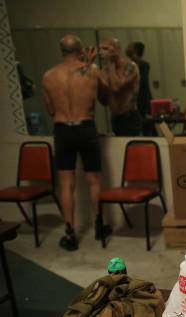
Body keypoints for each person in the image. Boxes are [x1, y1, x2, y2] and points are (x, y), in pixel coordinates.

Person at [42, 34, 111, 251]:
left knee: (66, 184)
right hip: (85, 127)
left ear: (61, 51)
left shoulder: (49, 76)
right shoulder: (91, 71)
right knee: (93, 181)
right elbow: (106, 98)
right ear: (81, 50)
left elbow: (51, 110)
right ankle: (99, 226)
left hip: (62, 129)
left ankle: (70, 233)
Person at [99, 37, 142, 136]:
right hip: (115, 119)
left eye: (105, 49)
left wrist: (110, 63)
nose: (101, 52)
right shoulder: (105, 71)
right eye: (100, 49)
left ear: (117, 50)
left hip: (129, 119)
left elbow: (116, 86)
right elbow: (104, 101)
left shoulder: (130, 66)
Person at [126, 41, 156, 136]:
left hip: (142, 101)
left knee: (147, 128)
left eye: (130, 46)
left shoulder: (143, 65)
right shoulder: (127, 65)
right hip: (134, 102)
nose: (127, 47)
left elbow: (143, 84)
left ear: (135, 50)